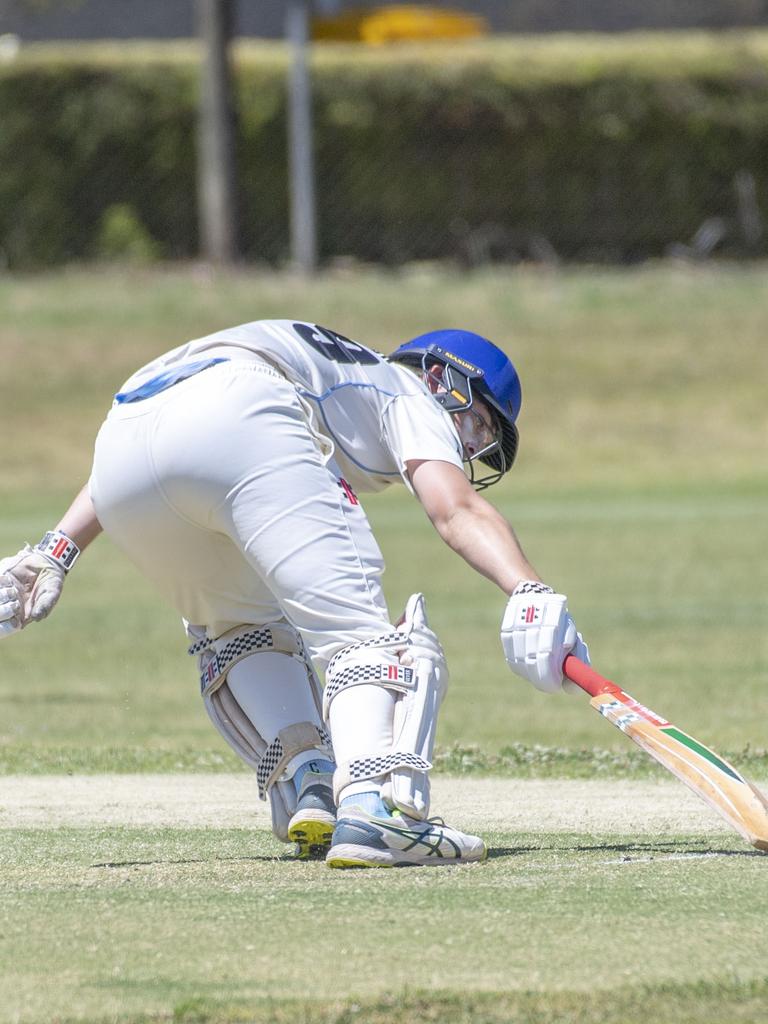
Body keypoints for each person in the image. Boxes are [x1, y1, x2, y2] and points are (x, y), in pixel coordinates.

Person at [0, 320, 588, 868]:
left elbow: (164, 439)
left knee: (240, 627)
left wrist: (56, 550)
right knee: (359, 634)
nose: (475, 445)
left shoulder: (333, 372)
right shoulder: (409, 390)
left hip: (122, 439)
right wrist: (528, 589)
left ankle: (311, 778)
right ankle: (375, 808)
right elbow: (454, 508)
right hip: (244, 409)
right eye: (482, 424)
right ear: (445, 379)